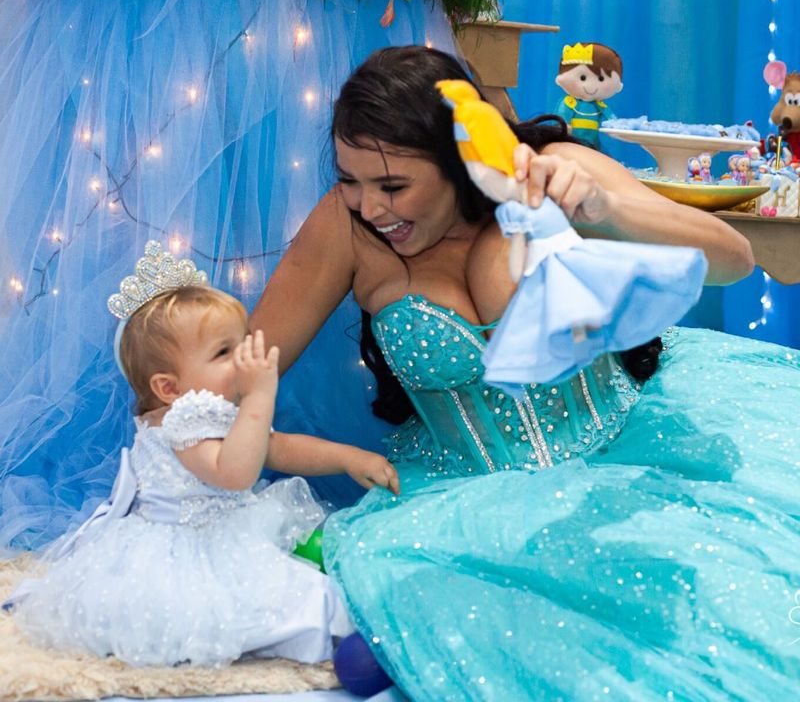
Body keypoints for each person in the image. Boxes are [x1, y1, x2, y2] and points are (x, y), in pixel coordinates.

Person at [250, 45, 800, 699]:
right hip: (456, 499)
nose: (370, 206)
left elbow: (734, 260)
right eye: (349, 178)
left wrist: (605, 211)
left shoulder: (552, 172)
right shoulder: (344, 227)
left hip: (630, 454)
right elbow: (253, 357)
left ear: (458, 161)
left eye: (394, 185)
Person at [8, 243, 398, 668]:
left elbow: (278, 447)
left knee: (298, 579)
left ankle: (351, 628)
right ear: (168, 389)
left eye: (242, 342)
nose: (244, 358)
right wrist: (259, 396)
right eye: (223, 352)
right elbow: (232, 473)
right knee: (245, 608)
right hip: (187, 547)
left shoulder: (217, 411)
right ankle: (344, 641)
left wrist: (346, 458)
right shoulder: (182, 422)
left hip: (230, 528)